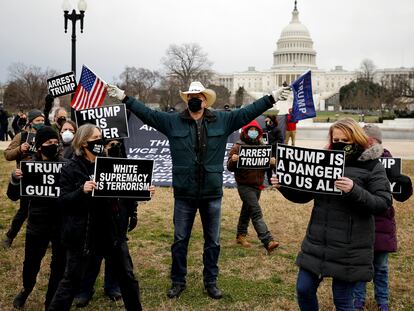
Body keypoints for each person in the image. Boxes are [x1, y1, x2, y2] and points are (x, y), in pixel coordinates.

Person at [107, 81, 290, 299]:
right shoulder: (172, 121)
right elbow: (147, 114)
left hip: (211, 193)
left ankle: (211, 281)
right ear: (187, 100)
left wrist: (272, 98)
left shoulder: (223, 120)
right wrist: (124, 97)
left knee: (212, 241)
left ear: (205, 100)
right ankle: (178, 281)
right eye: (191, 96)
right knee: (180, 240)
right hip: (184, 193)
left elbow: (248, 111)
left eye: (199, 96)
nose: (195, 99)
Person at [271, 118, 392, 311]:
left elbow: (383, 203)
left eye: (345, 141)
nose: (340, 144)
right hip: (318, 241)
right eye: (336, 140)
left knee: (343, 301)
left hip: (349, 247)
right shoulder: (324, 162)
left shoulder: (371, 166)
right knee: (303, 289)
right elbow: (304, 195)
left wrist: (354, 190)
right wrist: (283, 186)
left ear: (356, 139)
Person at [48, 124, 146, 311]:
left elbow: (123, 191)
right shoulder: (71, 168)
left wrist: (142, 191)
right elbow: (62, 202)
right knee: (71, 281)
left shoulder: (108, 163)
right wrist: (81, 191)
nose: (101, 141)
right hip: (83, 235)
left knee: (127, 278)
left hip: (111, 232)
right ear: (84, 143)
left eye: (101, 137)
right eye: (96, 138)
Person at [353, 124, 413, 311]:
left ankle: (383, 302)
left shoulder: (389, 162)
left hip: (382, 224)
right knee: (360, 267)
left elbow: (400, 196)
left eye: (367, 140)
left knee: (381, 268)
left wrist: (406, 185)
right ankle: (358, 301)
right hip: (360, 222)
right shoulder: (354, 160)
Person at [73, 139, 138, 308]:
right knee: (94, 256)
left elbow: (132, 193)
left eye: (117, 144)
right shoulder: (92, 165)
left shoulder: (126, 166)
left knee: (116, 254)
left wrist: (133, 212)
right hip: (98, 217)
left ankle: (112, 286)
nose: (114, 147)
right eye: (110, 145)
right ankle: (85, 289)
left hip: (119, 216)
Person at [9, 126, 66, 310]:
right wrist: (15, 179)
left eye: (56, 143)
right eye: (49, 143)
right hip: (37, 223)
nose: (54, 146)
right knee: (31, 263)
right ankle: (26, 289)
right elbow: (13, 196)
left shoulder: (66, 166)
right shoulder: (29, 166)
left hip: (61, 224)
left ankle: (51, 300)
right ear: (40, 146)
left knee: (59, 265)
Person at [227, 120, 279, 252]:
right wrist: (233, 161)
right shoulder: (238, 146)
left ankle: (240, 235)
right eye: (250, 130)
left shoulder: (262, 146)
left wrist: (273, 163)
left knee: (247, 210)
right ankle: (267, 240)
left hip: (257, 185)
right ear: (245, 132)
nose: (253, 132)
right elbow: (229, 167)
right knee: (255, 211)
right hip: (244, 186)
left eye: (255, 130)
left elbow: (269, 165)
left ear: (259, 133)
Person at [1, 109, 45, 248]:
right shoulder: (21, 136)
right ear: (31, 122)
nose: (41, 123)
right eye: (38, 121)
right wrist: (20, 149)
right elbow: (7, 155)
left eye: (43, 120)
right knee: (24, 210)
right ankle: (10, 236)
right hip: (27, 179)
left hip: (45, 177)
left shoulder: (46, 134)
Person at [264, 114, 284, 184]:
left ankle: (279, 182)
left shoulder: (277, 130)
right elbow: (264, 140)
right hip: (266, 152)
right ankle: (270, 183)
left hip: (274, 152)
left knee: (275, 168)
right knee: (268, 169)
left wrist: (271, 145)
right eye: (265, 121)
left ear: (271, 121)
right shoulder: (265, 130)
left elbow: (280, 140)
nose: (266, 122)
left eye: (268, 121)